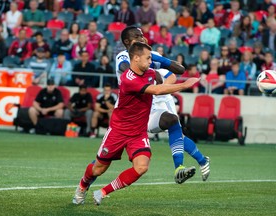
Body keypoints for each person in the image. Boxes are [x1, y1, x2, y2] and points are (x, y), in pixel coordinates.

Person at [72, 42, 200, 206]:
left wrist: (171, 74)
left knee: (141, 167)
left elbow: (169, 76)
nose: (150, 61)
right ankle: (83, 186)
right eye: (147, 58)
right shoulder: (128, 79)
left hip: (138, 133)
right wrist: (183, 85)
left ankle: (103, 192)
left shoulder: (149, 72)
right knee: (98, 169)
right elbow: (156, 90)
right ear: (136, 58)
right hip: (118, 131)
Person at [115, 26, 210, 184]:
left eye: (143, 36)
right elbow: (126, 69)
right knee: (104, 158)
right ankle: (202, 160)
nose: (142, 39)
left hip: (159, 101)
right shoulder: (123, 56)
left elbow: (178, 70)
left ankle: (179, 168)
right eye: (137, 36)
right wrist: (151, 73)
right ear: (127, 41)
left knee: (172, 123)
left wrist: (159, 63)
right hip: (133, 110)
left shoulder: (150, 56)